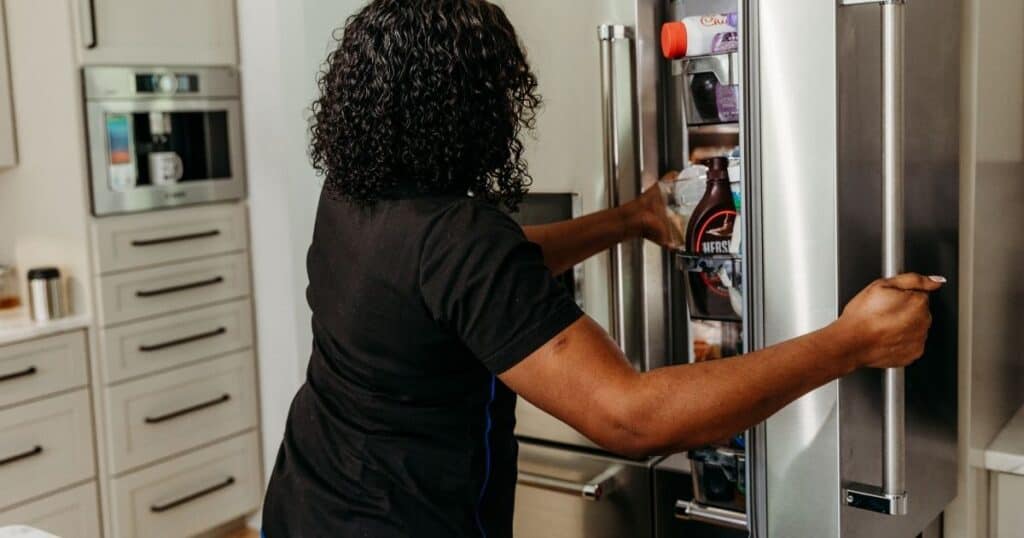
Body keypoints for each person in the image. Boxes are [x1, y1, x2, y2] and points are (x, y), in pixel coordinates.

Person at [260, 1, 944, 537]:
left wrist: (631, 219)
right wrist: (849, 342)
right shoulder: (457, 239)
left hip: (307, 497)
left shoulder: (354, 190)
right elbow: (630, 418)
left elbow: (478, 285)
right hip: (400, 522)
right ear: (462, 109)